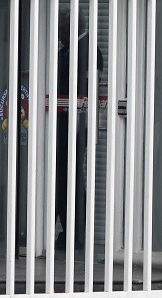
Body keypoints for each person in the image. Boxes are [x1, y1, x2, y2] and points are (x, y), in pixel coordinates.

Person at [55, 5, 103, 250]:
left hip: (74, 126)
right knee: (61, 178)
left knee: (70, 178)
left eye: (63, 28)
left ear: (76, 27)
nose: (60, 33)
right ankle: (67, 231)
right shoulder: (67, 50)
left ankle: (75, 233)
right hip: (61, 125)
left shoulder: (88, 51)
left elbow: (82, 88)